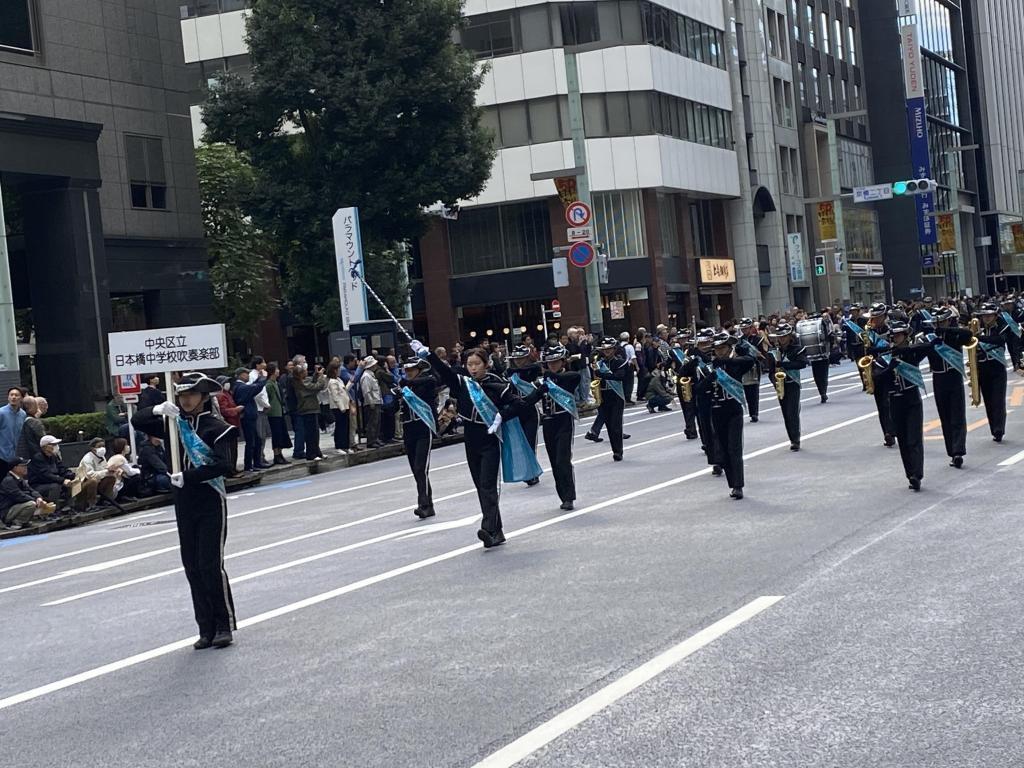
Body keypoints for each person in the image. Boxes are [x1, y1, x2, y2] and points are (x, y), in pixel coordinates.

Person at [132, 372, 238, 650]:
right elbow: (137, 420)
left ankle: (223, 625)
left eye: (191, 394)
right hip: (183, 501)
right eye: (182, 395)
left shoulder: (218, 428)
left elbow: (225, 465)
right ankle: (205, 628)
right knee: (191, 566)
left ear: (203, 397)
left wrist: (189, 477)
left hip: (209, 499)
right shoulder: (173, 425)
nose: (186, 400)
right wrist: (156, 408)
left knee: (210, 565)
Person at [416, 341, 536, 548]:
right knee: (480, 485)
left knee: (489, 485)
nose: (472, 368)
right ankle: (496, 531)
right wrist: (429, 356)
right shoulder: (463, 384)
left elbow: (521, 405)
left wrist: (501, 416)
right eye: (469, 364)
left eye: (476, 364)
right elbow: (445, 373)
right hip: (471, 439)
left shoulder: (498, 384)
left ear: (486, 364)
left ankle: (488, 528)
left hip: (490, 438)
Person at [870, 321, 929, 491]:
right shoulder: (884, 358)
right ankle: (910, 474)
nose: (896, 338)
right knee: (903, 439)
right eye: (894, 336)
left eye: (899, 335)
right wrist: (890, 368)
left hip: (912, 399)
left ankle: (917, 474)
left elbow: (927, 347)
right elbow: (876, 378)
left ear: (906, 336)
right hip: (895, 401)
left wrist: (905, 350)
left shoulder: (911, 354)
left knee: (914, 438)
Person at [524, 344, 581, 510]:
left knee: (563, 459)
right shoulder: (543, 382)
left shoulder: (568, 377)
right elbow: (530, 400)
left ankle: (569, 497)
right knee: (554, 462)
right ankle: (562, 496)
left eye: (556, 362)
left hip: (564, 421)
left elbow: (573, 377)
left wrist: (550, 377)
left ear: (563, 362)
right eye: (550, 363)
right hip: (548, 423)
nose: (553, 365)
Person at [708, 332, 755, 500]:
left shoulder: (735, 364)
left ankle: (738, 486)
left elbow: (751, 360)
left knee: (735, 447)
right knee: (725, 449)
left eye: (722, 348)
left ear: (729, 348)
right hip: (717, 410)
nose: (719, 352)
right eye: (717, 349)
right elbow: (698, 386)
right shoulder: (710, 366)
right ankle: (732, 483)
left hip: (734, 410)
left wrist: (729, 358)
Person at [924, 308, 972, 468]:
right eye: (937, 322)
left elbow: (968, 336)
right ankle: (952, 452)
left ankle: (959, 451)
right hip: (938, 378)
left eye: (942, 321)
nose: (939, 325)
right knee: (945, 416)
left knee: (957, 414)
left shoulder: (955, 335)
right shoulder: (929, 338)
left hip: (954, 376)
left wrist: (947, 330)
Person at [396, 356, 439, 518]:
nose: (408, 373)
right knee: (416, 469)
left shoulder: (425, 383)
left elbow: (432, 381)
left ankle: (424, 504)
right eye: (406, 370)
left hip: (423, 428)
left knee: (421, 467)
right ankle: (428, 503)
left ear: (419, 370)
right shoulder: (405, 386)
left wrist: (406, 385)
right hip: (409, 429)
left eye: (412, 370)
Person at [681, 329, 719, 472]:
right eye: (701, 343)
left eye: (707, 342)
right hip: (701, 395)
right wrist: (692, 361)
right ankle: (714, 459)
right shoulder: (692, 357)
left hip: (717, 395)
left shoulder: (718, 353)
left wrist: (701, 354)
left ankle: (720, 457)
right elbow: (682, 373)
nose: (705, 345)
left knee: (718, 428)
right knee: (705, 428)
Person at [505, 344, 542, 486]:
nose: (518, 361)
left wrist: (515, 370)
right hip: (517, 411)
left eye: (521, 358)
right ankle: (528, 471)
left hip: (530, 411)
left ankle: (533, 473)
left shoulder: (530, 370)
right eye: (516, 359)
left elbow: (534, 369)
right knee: (521, 444)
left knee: (530, 441)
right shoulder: (510, 373)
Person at [768, 323, 808, 451]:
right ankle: (791, 438)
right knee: (785, 413)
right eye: (779, 337)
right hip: (781, 384)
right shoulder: (774, 351)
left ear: (789, 336)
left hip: (792, 384)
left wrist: (786, 365)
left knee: (792, 412)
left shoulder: (796, 349)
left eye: (784, 336)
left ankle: (796, 440)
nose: (782, 339)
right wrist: (775, 382)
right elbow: (770, 370)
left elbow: (802, 363)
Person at [590, 337, 630, 461]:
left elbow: (619, 377)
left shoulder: (619, 362)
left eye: (609, 349)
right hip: (603, 395)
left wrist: (601, 374)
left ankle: (618, 451)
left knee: (616, 424)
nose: (607, 351)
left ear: (614, 349)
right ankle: (614, 449)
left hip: (616, 395)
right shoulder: (599, 363)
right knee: (608, 425)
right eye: (604, 349)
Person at [974, 301, 1009, 442]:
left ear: (995, 316)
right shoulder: (978, 329)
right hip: (983, 368)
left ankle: (999, 429)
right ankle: (993, 428)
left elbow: (998, 340)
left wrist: (979, 338)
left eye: (989, 316)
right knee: (988, 400)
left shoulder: (1001, 328)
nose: (986, 318)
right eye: (984, 316)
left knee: (998, 399)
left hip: (997, 368)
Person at [232, 367, 269, 472]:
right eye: (246, 374)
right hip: (247, 417)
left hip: (250, 416)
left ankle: (256, 463)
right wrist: (262, 379)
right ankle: (249, 465)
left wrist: (259, 379)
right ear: (240, 375)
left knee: (256, 440)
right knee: (251, 441)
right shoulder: (241, 387)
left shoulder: (241, 387)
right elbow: (255, 388)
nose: (248, 376)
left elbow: (254, 387)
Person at [0, 457, 53, 529]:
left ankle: (24, 521)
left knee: (33, 502)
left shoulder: (19, 479)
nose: (26, 467)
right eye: (23, 466)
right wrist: (36, 501)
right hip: (7, 512)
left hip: (15, 507)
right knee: (31, 504)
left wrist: (39, 498)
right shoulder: (8, 480)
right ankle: (16, 522)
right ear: (15, 468)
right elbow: (19, 496)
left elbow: (32, 490)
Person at [666, 330, 699, 440]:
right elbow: (668, 366)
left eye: (684, 338)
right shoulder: (674, 352)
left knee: (697, 406)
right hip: (682, 381)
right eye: (681, 339)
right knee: (686, 407)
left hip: (695, 380)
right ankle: (691, 429)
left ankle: (701, 428)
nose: (683, 341)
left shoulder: (694, 349)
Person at [293, 360, 327, 460]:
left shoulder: (304, 381)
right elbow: (316, 386)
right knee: (311, 433)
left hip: (312, 408)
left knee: (315, 432)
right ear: (300, 374)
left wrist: (316, 375)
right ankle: (311, 454)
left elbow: (312, 381)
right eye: (305, 371)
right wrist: (321, 377)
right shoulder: (301, 383)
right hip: (307, 409)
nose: (307, 372)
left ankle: (317, 452)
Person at [28, 436, 74, 509]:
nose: (56, 447)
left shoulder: (54, 456)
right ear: (45, 446)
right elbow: (45, 475)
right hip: (38, 485)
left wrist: (71, 475)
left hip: (53, 481)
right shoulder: (37, 458)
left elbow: (61, 469)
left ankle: (69, 507)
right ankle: (53, 510)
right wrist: (62, 480)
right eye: (53, 445)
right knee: (55, 486)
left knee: (71, 484)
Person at [735, 318, 768, 422]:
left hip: (754, 366)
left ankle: (754, 413)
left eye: (746, 328)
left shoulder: (757, 339)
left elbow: (763, 354)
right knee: (745, 389)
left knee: (753, 390)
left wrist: (758, 355)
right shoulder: (739, 340)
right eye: (743, 328)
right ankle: (750, 411)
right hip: (742, 366)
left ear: (751, 328)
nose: (744, 330)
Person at [75, 437, 119, 510]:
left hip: (98, 482)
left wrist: (111, 471)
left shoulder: (102, 457)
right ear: (93, 448)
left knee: (111, 478)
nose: (102, 448)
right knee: (93, 481)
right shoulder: (87, 458)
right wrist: (106, 472)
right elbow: (90, 475)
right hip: (82, 485)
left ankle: (104, 500)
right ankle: (91, 504)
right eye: (99, 446)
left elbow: (105, 470)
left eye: (103, 446)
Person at [264, 363, 292, 465]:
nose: (278, 371)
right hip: (273, 413)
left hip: (279, 412)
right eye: (277, 369)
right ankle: (276, 454)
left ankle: (280, 453)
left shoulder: (276, 383)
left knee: (281, 434)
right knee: (276, 434)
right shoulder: (269, 384)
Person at [0, 387, 27, 475]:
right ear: (8, 397)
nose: (13, 397)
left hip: (11, 455)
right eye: (11, 395)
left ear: (22, 398)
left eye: (16, 395)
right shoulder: (1, 413)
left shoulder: (23, 414)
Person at [326, 361, 352, 453]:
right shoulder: (332, 382)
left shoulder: (339, 380)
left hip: (345, 405)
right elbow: (335, 396)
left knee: (346, 426)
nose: (339, 371)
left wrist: (350, 383)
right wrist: (341, 407)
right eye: (338, 369)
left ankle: (346, 445)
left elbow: (344, 390)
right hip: (338, 407)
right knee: (340, 427)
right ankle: (339, 445)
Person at [360, 355, 383, 449]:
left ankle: (375, 438)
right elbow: (366, 391)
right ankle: (371, 440)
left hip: (376, 400)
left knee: (377, 421)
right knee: (372, 422)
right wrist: (371, 402)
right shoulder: (366, 376)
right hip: (371, 402)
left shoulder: (371, 375)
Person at [15, 395, 45, 461]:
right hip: (35, 456)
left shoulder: (17, 420)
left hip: (19, 456)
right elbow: (43, 439)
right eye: (36, 405)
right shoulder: (33, 422)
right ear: (31, 407)